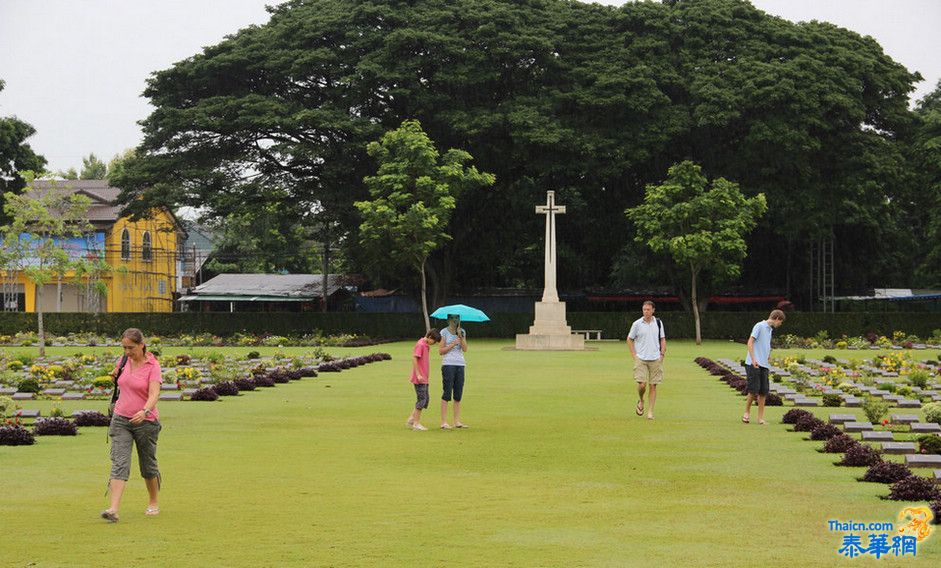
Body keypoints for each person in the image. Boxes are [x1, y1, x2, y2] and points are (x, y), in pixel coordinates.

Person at [101, 328, 163, 523]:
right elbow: (120, 378)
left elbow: (154, 394)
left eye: (131, 347)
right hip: (121, 419)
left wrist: (144, 411)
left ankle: (153, 502)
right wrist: (115, 375)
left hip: (146, 421)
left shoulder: (153, 366)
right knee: (119, 463)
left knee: (147, 464)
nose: (128, 351)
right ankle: (113, 509)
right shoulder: (124, 360)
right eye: (124, 347)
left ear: (142, 345)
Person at [742, 309, 786, 425]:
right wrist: (754, 359)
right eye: (780, 322)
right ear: (777, 319)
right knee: (753, 390)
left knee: (763, 392)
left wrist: (768, 356)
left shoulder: (770, 330)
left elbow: (765, 345)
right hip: (753, 363)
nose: (780, 325)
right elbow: (750, 342)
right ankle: (746, 413)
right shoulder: (759, 326)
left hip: (764, 365)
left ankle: (760, 418)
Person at [627, 301, 666, 420]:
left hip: (655, 358)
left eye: (648, 309)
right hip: (641, 358)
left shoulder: (658, 323)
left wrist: (662, 354)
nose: (646, 312)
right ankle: (641, 400)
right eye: (644, 309)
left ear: (653, 310)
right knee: (642, 385)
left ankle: (650, 412)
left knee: (653, 386)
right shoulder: (637, 324)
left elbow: (662, 339)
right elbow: (629, 339)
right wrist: (634, 355)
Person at [407, 329, 441, 431]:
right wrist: (418, 374)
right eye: (434, 341)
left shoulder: (426, 346)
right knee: (421, 400)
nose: (434, 344)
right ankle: (416, 424)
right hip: (420, 378)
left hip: (425, 378)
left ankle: (411, 419)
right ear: (430, 337)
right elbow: (414, 358)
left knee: (425, 400)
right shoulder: (421, 344)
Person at [439, 314, 469, 429]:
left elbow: (465, 349)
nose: (455, 320)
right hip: (448, 364)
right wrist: (453, 344)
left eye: (457, 318)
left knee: (458, 394)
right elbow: (441, 351)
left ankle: (457, 421)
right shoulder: (444, 332)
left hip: (460, 364)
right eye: (453, 318)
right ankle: (444, 422)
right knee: (447, 393)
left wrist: (461, 338)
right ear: (448, 320)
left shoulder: (462, 332)